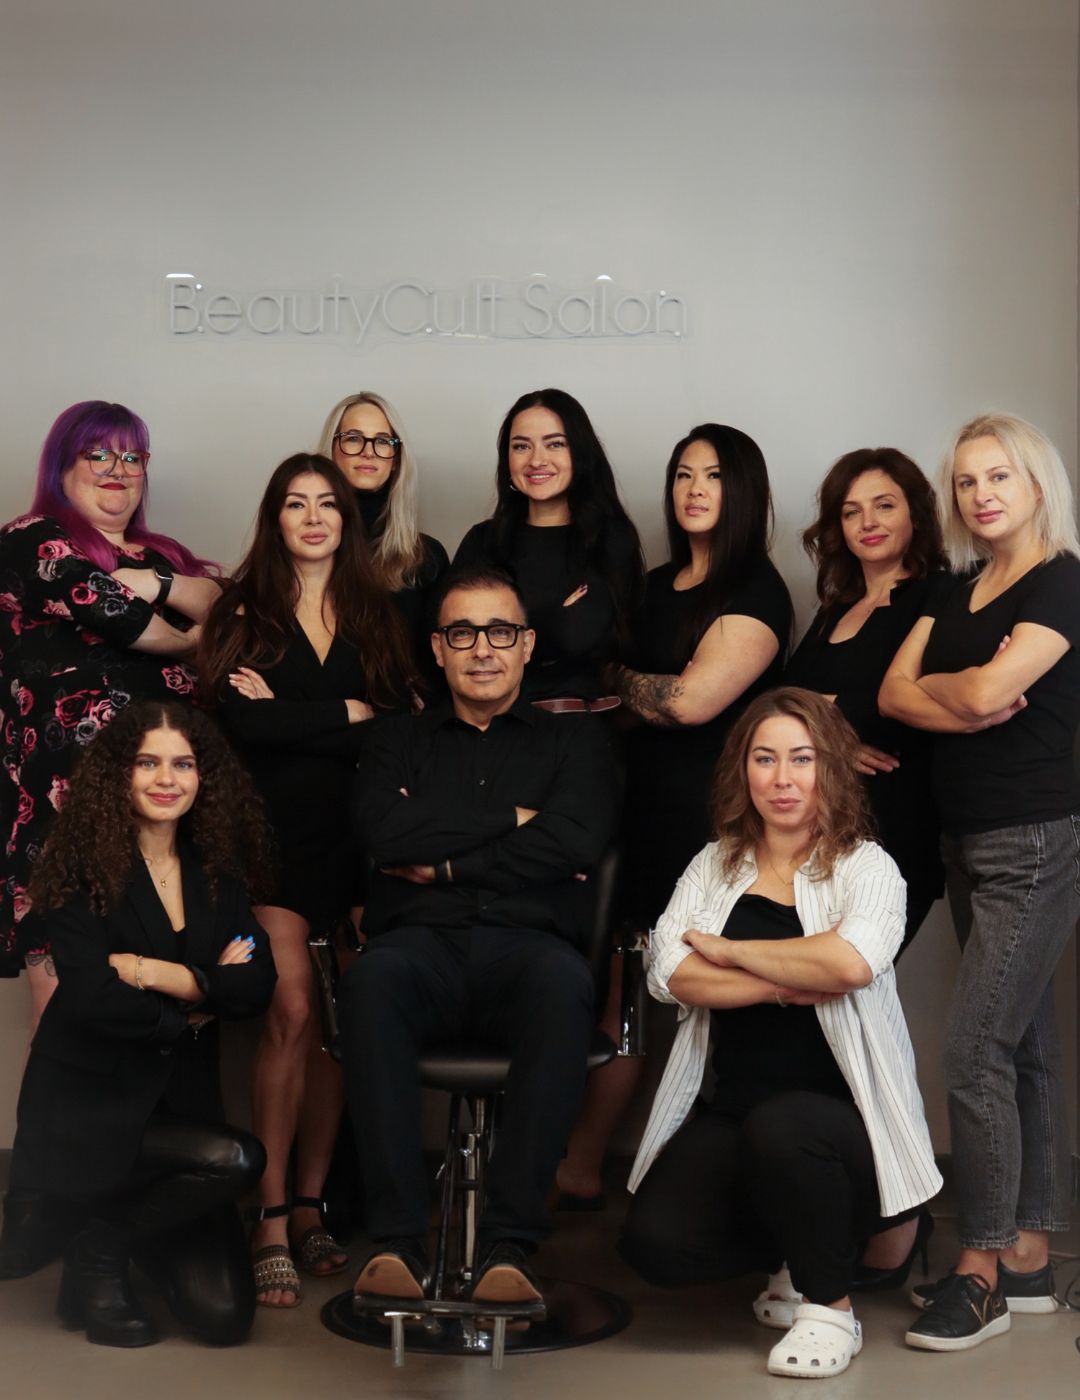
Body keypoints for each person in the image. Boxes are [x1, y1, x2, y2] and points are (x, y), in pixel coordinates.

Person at [620, 687, 941, 1380]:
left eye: (802, 758)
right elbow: (668, 971)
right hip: (736, 1114)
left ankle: (831, 1308)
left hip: (843, 1126)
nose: (783, 778)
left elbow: (849, 962)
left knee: (786, 1125)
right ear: (744, 771)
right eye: (765, 759)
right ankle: (795, 1251)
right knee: (656, 1247)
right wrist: (782, 983)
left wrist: (729, 952)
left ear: (831, 769)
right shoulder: (715, 864)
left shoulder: (868, 867)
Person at [341, 567, 615, 1309]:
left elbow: (576, 841)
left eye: (501, 632)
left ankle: (509, 1246)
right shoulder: (396, 740)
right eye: (463, 633)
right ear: (438, 647)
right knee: (368, 983)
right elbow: (380, 830)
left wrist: (444, 857)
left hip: (529, 950)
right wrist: (516, 822)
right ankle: (397, 1241)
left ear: (527, 645)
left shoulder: (575, 741)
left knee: (564, 990)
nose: (482, 649)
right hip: (415, 949)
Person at [880, 413, 1080, 1351]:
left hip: (1037, 837)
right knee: (1023, 1046)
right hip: (969, 838)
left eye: (998, 476)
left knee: (972, 1051)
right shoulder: (959, 587)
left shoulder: (1064, 583)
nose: (981, 495)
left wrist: (960, 695)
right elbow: (893, 693)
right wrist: (967, 698)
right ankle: (1034, 1258)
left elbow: (987, 693)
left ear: (1037, 485)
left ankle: (982, 1268)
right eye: (964, 482)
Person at [199, 452, 415, 1307]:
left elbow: (400, 727)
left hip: (362, 846)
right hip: (268, 845)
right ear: (275, 517)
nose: (316, 517)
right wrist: (344, 714)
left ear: (347, 520)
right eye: (297, 504)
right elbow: (236, 726)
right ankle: (269, 1215)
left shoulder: (379, 614)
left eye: (329, 504)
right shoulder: (244, 609)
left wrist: (302, 720)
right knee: (289, 1009)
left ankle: (315, 1204)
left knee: (344, 1025)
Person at [3, 700, 276, 1347]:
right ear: (118, 775)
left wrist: (160, 974)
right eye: (147, 762)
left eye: (182, 763)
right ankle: (98, 1252)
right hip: (89, 1108)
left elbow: (255, 986)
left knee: (226, 1320)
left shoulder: (219, 874)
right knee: (241, 1158)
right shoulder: (78, 867)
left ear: (203, 776)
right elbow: (93, 998)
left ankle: (117, 1234)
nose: (166, 778)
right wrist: (201, 1001)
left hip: (176, 1111)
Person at [0, 401, 220, 1020]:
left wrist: (166, 586)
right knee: (71, 1037)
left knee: (164, 1027)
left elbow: (238, 616)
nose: (117, 469)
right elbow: (112, 613)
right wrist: (186, 636)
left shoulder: (164, 557)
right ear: (62, 466)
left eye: (132, 456)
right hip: (60, 821)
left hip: (164, 824)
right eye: (98, 453)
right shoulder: (32, 539)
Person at [613, 423, 793, 948]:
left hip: (712, 813)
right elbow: (616, 710)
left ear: (743, 490)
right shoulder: (651, 586)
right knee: (634, 962)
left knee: (702, 965)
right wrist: (646, 694)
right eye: (683, 475)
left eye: (713, 476)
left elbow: (690, 702)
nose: (694, 489)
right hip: (639, 802)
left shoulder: (756, 588)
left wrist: (614, 679)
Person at [785, 447, 948, 954]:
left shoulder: (942, 594)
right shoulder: (837, 608)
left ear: (915, 515)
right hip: (816, 835)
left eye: (884, 506)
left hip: (896, 828)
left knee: (846, 987)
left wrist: (822, 715)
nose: (867, 523)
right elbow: (780, 702)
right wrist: (832, 739)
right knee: (800, 997)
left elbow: (913, 703)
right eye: (851, 511)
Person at [453, 387, 644, 707]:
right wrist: (553, 617)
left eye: (555, 443)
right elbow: (453, 643)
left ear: (579, 453)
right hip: (489, 728)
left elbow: (576, 635)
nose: (536, 460)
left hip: (577, 728)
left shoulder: (610, 539)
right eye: (521, 446)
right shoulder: (482, 541)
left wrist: (500, 628)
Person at [318, 391, 449, 683]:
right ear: (331, 448)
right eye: (353, 438)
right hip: (322, 715)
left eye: (382, 441)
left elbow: (440, 662)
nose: (368, 451)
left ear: (395, 459)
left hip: (402, 720)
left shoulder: (426, 556)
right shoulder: (302, 547)